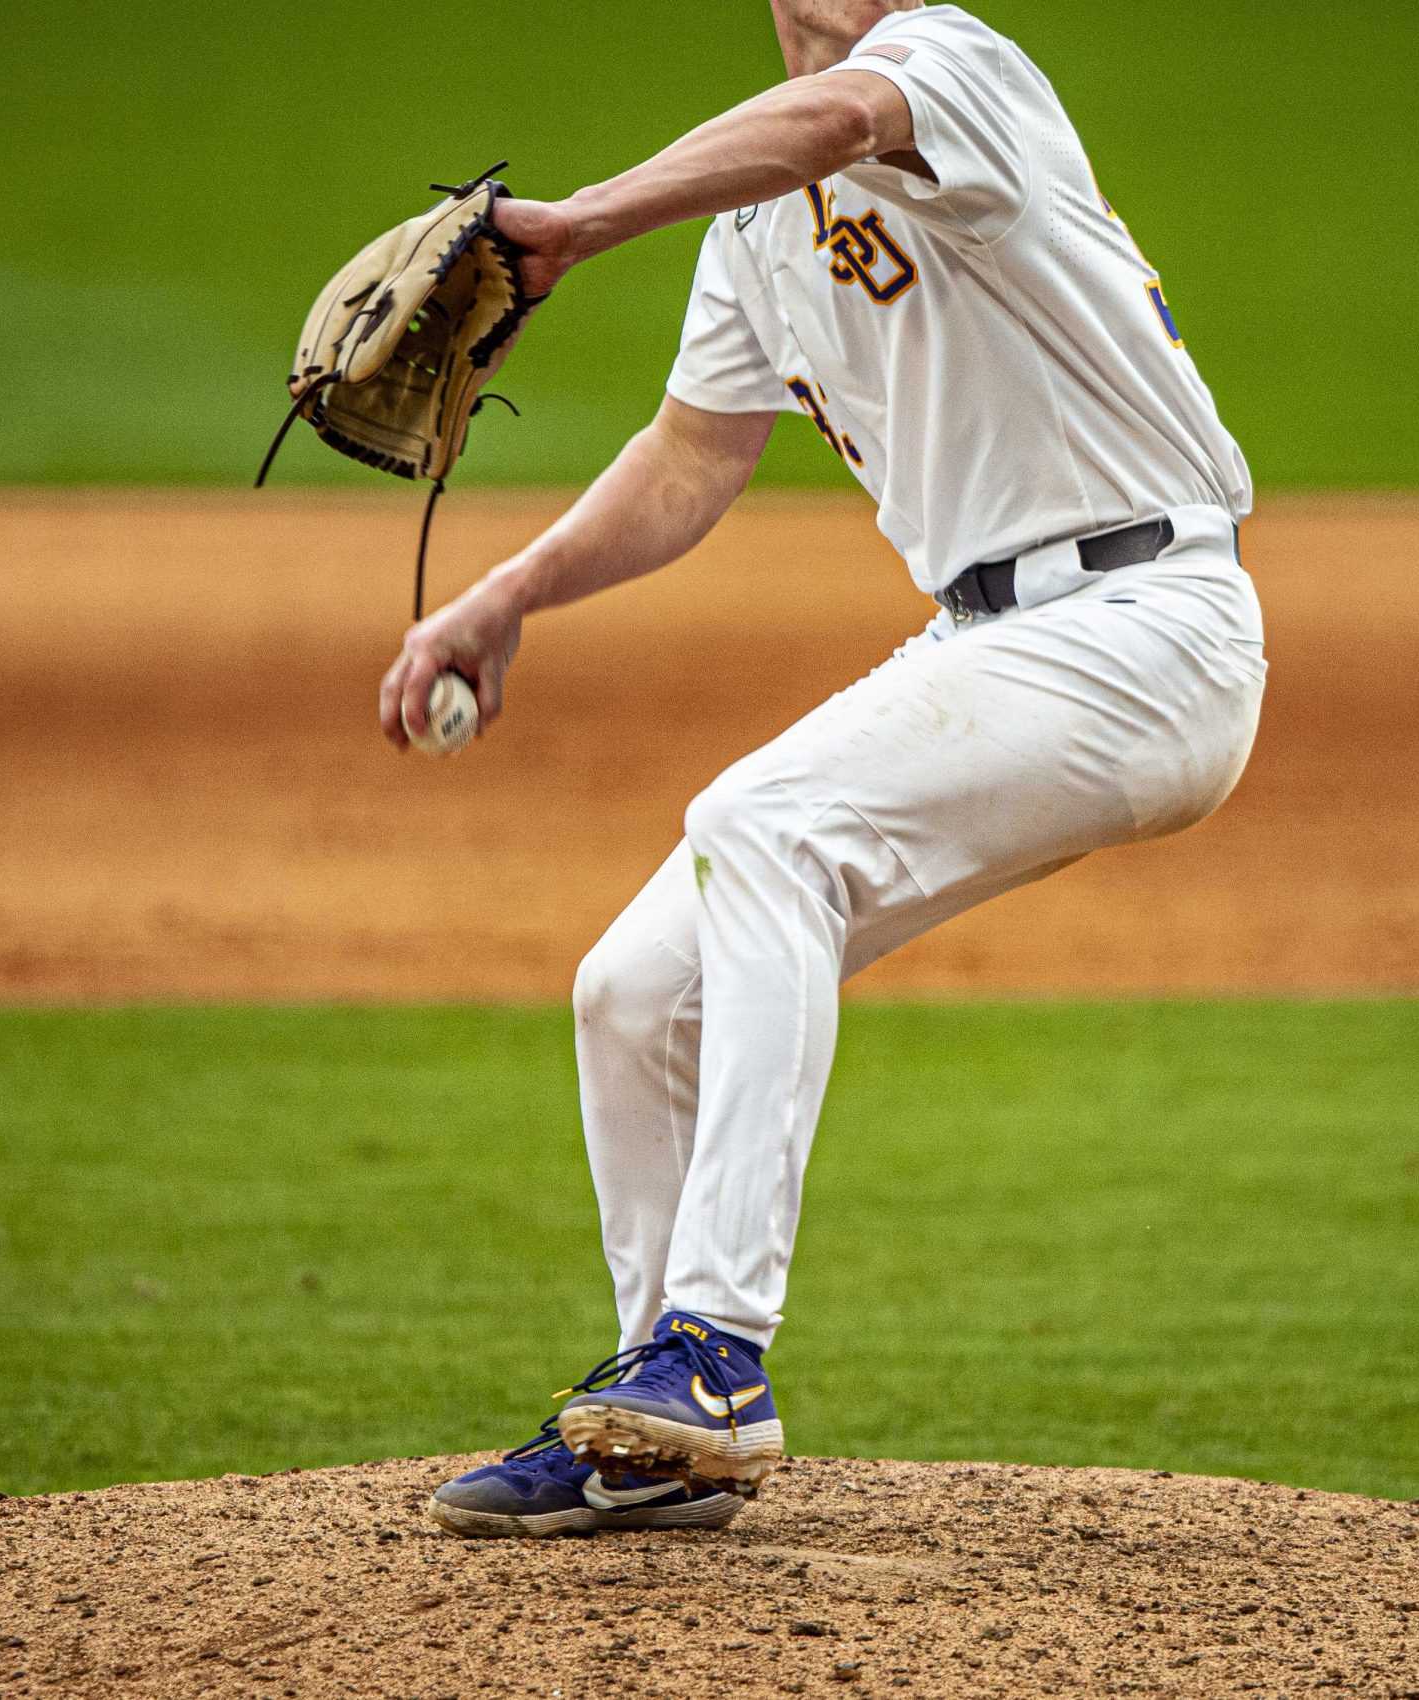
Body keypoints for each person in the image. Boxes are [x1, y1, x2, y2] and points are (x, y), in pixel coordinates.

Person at [392, 0, 1264, 1539]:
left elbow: (837, 122)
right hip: (990, 641)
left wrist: (581, 226)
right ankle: (651, 1427)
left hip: (1147, 620)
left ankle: (718, 1355)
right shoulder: (751, 223)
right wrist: (502, 596)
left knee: (764, 826)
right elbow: (688, 460)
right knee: (634, 988)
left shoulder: (955, 64)